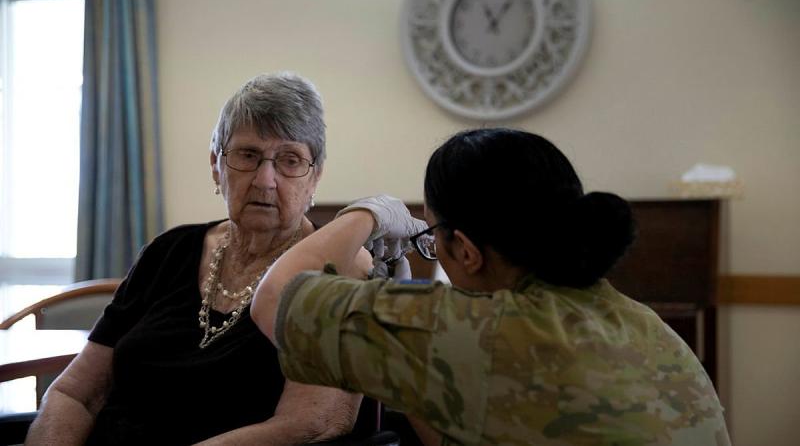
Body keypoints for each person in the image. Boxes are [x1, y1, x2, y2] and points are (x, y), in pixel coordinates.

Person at [251, 128, 732, 445]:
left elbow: (273, 299)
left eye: (430, 236)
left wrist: (369, 213)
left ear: (464, 250)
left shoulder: (478, 331)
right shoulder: (642, 324)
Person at [26, 72, 371, 445]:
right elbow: (74, 394)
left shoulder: (336, 272)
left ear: (315, 176)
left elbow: (311, 424)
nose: (265, 179)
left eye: (289, 160)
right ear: (215, 165)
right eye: (248, 155)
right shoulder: (168, 252)